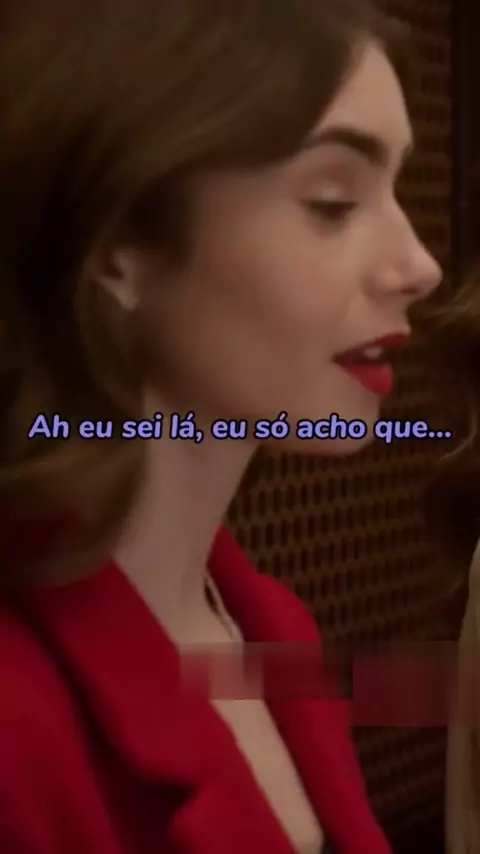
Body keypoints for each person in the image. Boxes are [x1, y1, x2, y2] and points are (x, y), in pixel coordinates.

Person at [0, 1, 441, 853]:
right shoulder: (17, 717)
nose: (419, 265)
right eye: (333, 201)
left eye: (396, 188)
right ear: (117, 242)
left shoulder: (275, 627)